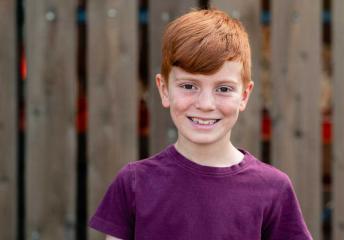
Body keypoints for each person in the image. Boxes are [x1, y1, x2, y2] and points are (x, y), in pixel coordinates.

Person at [89, 9, 312, 240]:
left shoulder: (273, 189)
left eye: (223, 89)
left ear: (244, 95)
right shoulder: (133, 183)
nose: (205, 104)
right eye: (189, 86)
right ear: (164, 90)